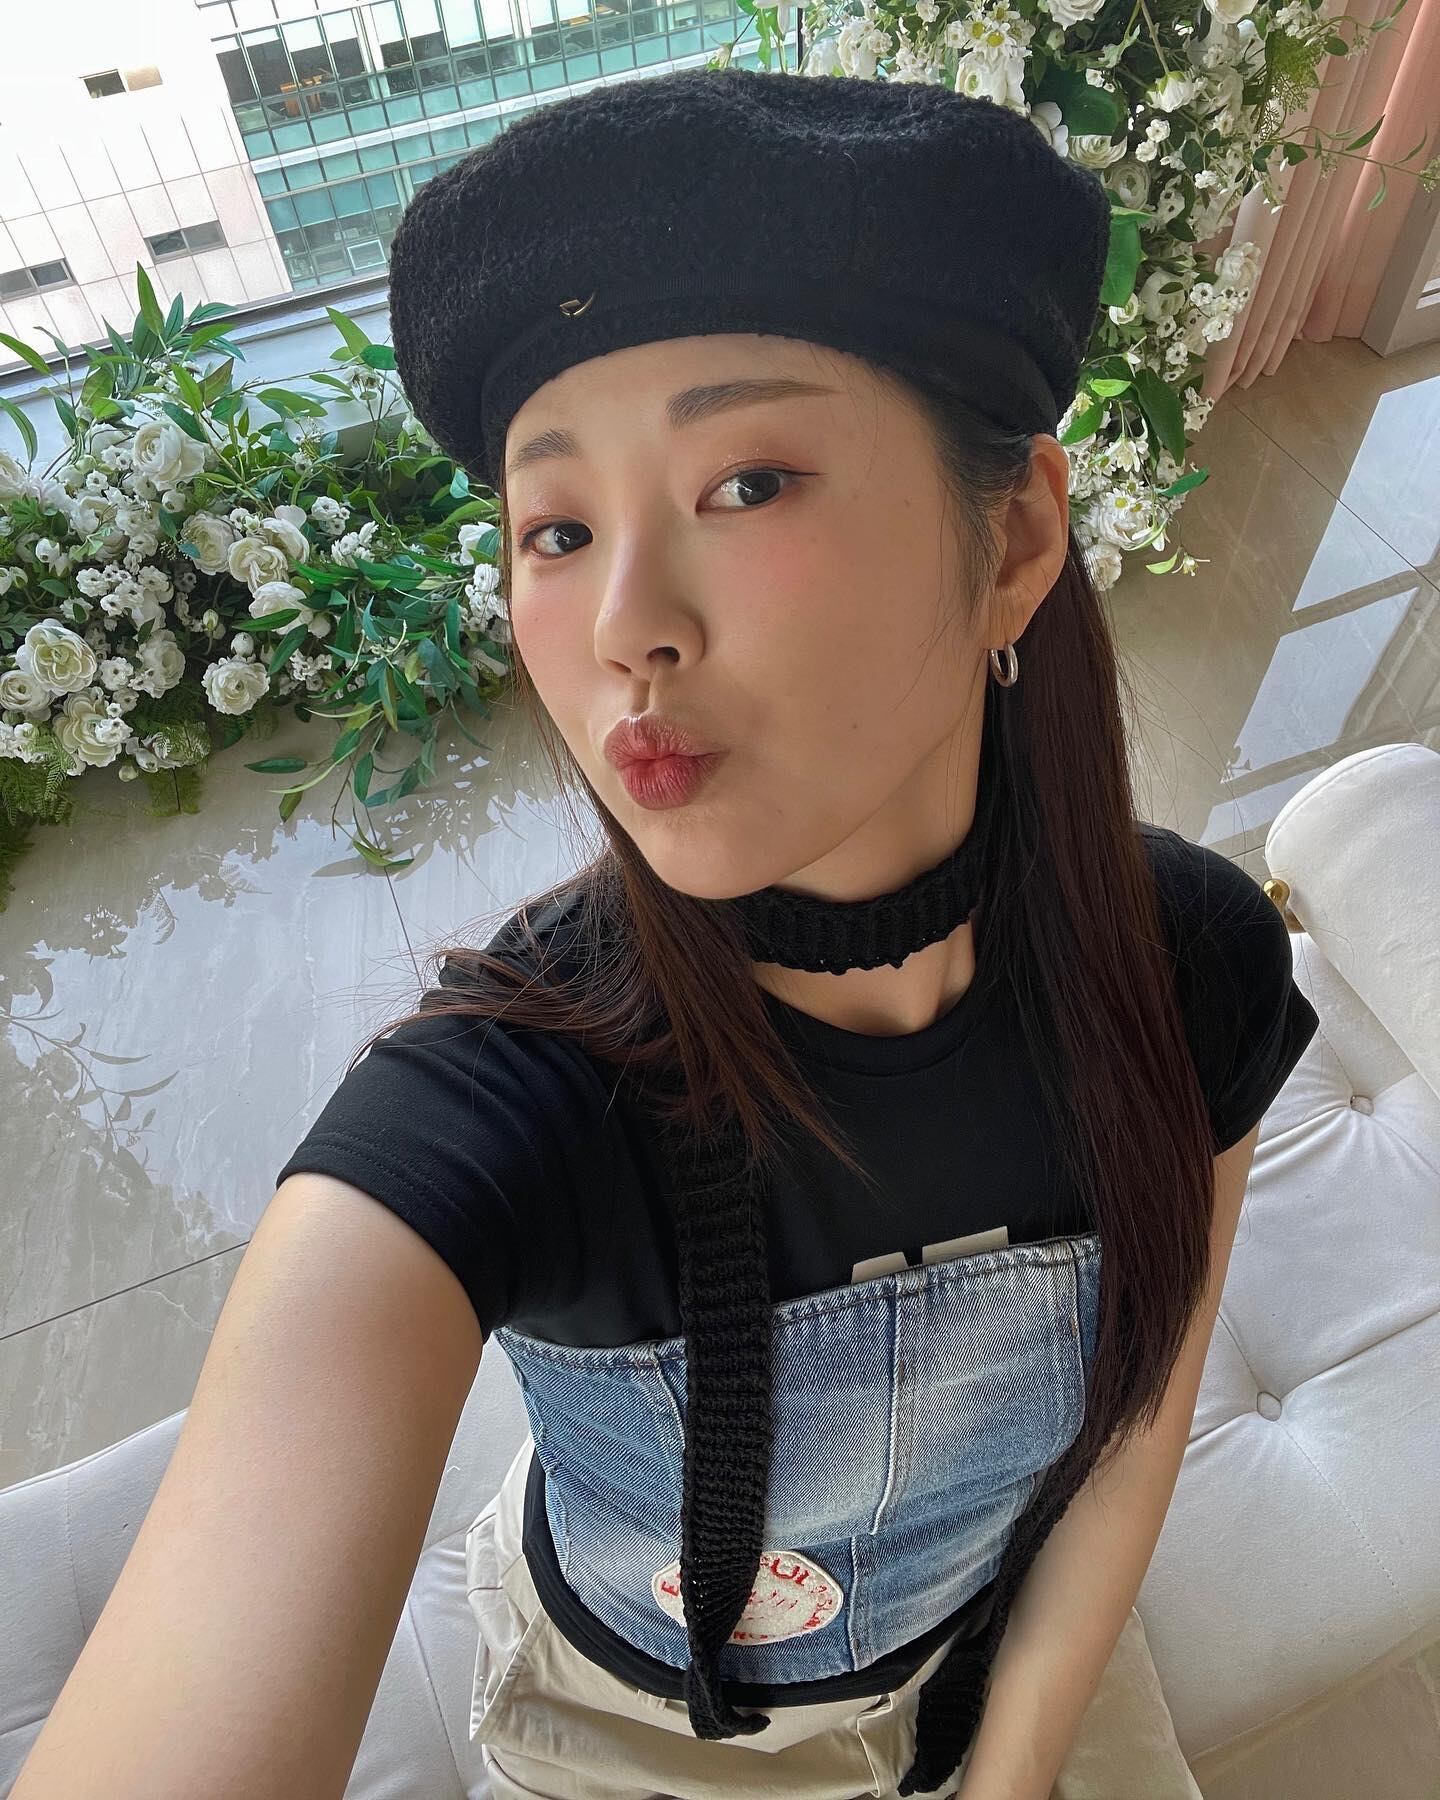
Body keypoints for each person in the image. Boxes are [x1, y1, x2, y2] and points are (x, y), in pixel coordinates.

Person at [10, 65, 1318, 1800]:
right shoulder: (503, 1098)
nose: (625, 624)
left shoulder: (1193, 965)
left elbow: (1135, 1432)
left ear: (1012, 536)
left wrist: (1006, 1778)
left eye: (748, 481)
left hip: (998, 1640)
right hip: (633, 1730)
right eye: (556, 529)